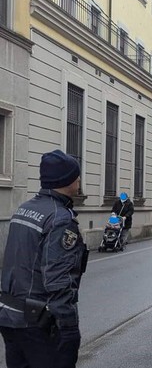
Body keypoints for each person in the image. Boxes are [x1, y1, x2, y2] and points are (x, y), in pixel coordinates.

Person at [0, 149, 88, 368]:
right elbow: (59, 278)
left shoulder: (24, 209)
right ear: (67, 180)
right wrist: (68, 327)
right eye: (76, 177)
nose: (79, 181)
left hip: (9, 316)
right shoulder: (60, 219)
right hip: (38, 322)